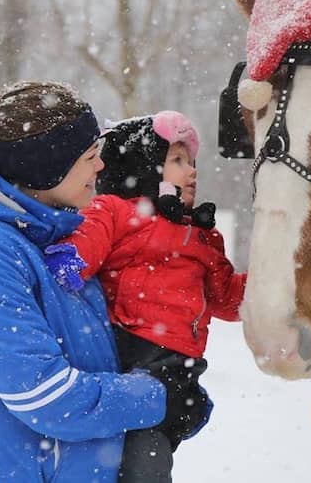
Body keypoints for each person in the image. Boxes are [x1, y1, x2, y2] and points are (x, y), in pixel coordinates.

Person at [0, 81, 167, 483]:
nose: (100, 167)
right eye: (90, 155)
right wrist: (158, 396)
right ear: (47, 166)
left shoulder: (55, 237)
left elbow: (100, 363)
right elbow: (49, 399)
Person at [46, 110, 247, 482]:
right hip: (132, 356)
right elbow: (89, 240)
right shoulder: (119, 210)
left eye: (191, 162)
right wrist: (70, 260)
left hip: (179, 370)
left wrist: (267, 289)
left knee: (148, 457)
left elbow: (226, 298)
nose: (191, 171)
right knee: (138, 464)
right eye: (177, 160)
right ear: (144, 163)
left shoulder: (203, 236)